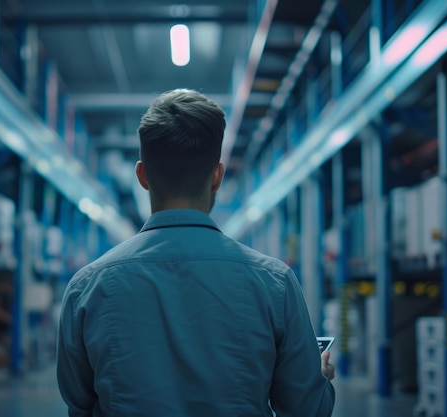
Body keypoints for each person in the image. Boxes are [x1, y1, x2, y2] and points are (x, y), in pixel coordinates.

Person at [56, 89, 335, 417]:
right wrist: (315, 379)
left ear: (142, 176)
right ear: (217, 177)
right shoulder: (276, 283)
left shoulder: (87, 288)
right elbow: (306, 410)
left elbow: (80, 405)